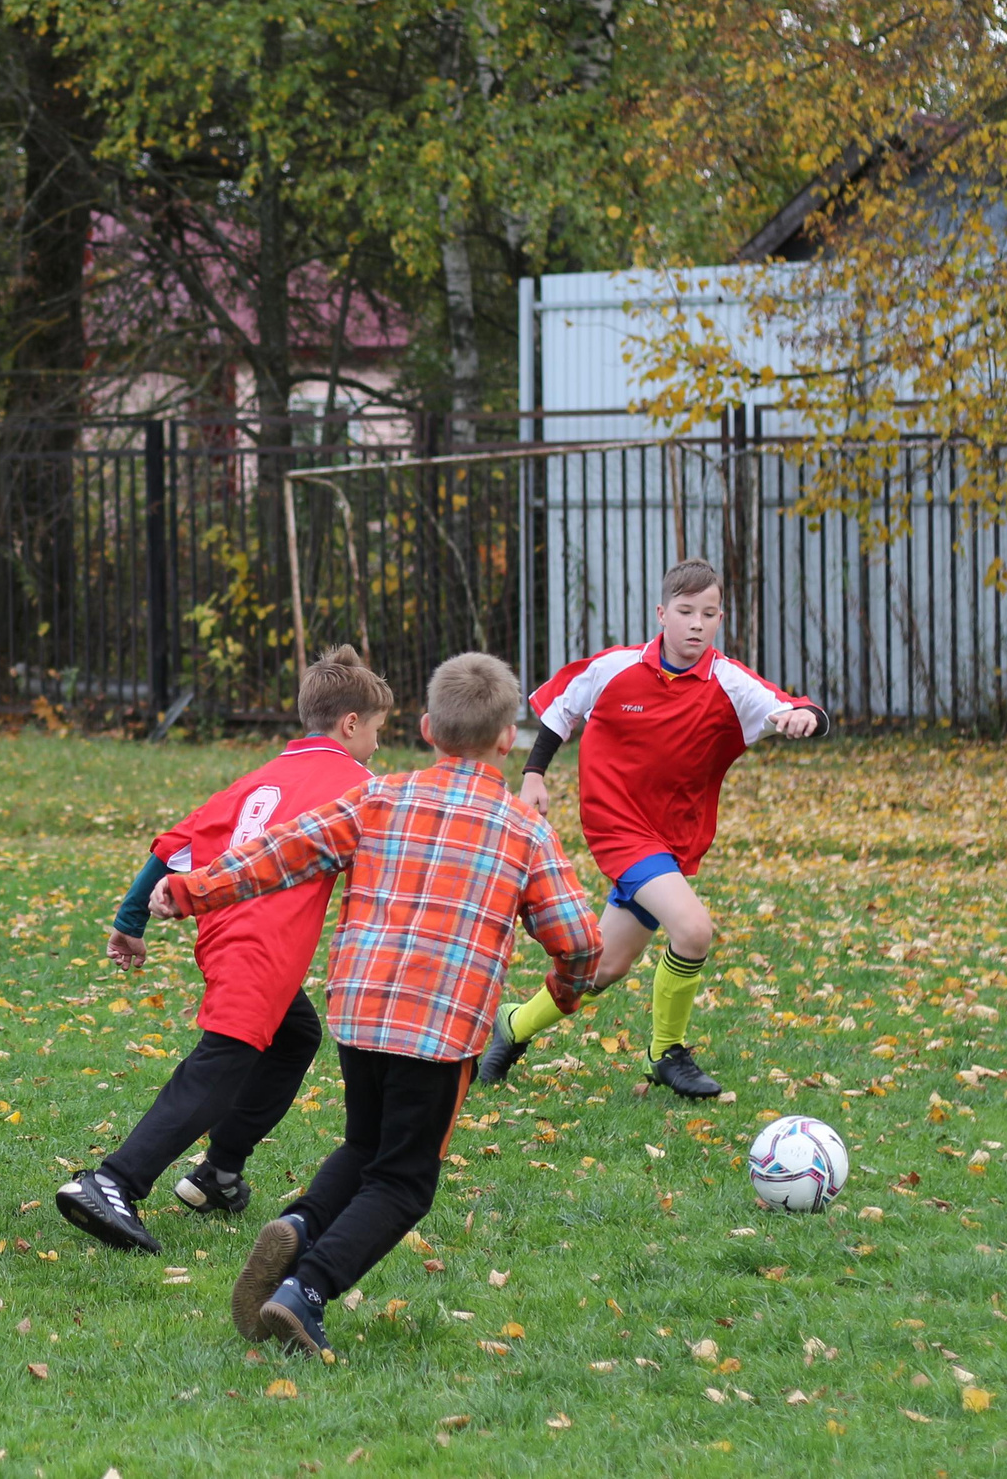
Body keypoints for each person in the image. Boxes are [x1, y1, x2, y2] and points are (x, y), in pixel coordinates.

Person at [152, 653, 600, 1360]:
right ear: (508, 738)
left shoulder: (377, 797)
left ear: (427, 727)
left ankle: (299, 1226)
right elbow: (578, 939)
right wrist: (564, 992)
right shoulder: (524, 829)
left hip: (361, 1010)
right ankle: (307, 1287)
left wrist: (192, 890)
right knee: (404, 1178)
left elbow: (279, 851)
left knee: (367, 1145)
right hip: (442, 1023)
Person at [54, 647, 392, 1255]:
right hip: (266, 942)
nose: (376, 743)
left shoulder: (259, 777)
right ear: (350, 724)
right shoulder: (363, 788)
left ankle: (219, 1174)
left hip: (220, 932)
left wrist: (131, 921)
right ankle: (112, 1182)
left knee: (294, 1037)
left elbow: (176, 844)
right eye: (376, 730)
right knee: (222, 1061)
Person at [477, 558, 829, 1100]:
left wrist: (805, 717)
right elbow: (559, 711)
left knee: (602, 969)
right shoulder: (616, 669)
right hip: (617, 827)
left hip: (674, 841)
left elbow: (791, 705)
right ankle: (667, 1052)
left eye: (708, 614)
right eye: (685, 611)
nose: (696, 623)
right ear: (662, 614)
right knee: (692, 930)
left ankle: (512, 1027)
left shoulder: (728, 682)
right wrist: (533, 775)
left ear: (719, 619)